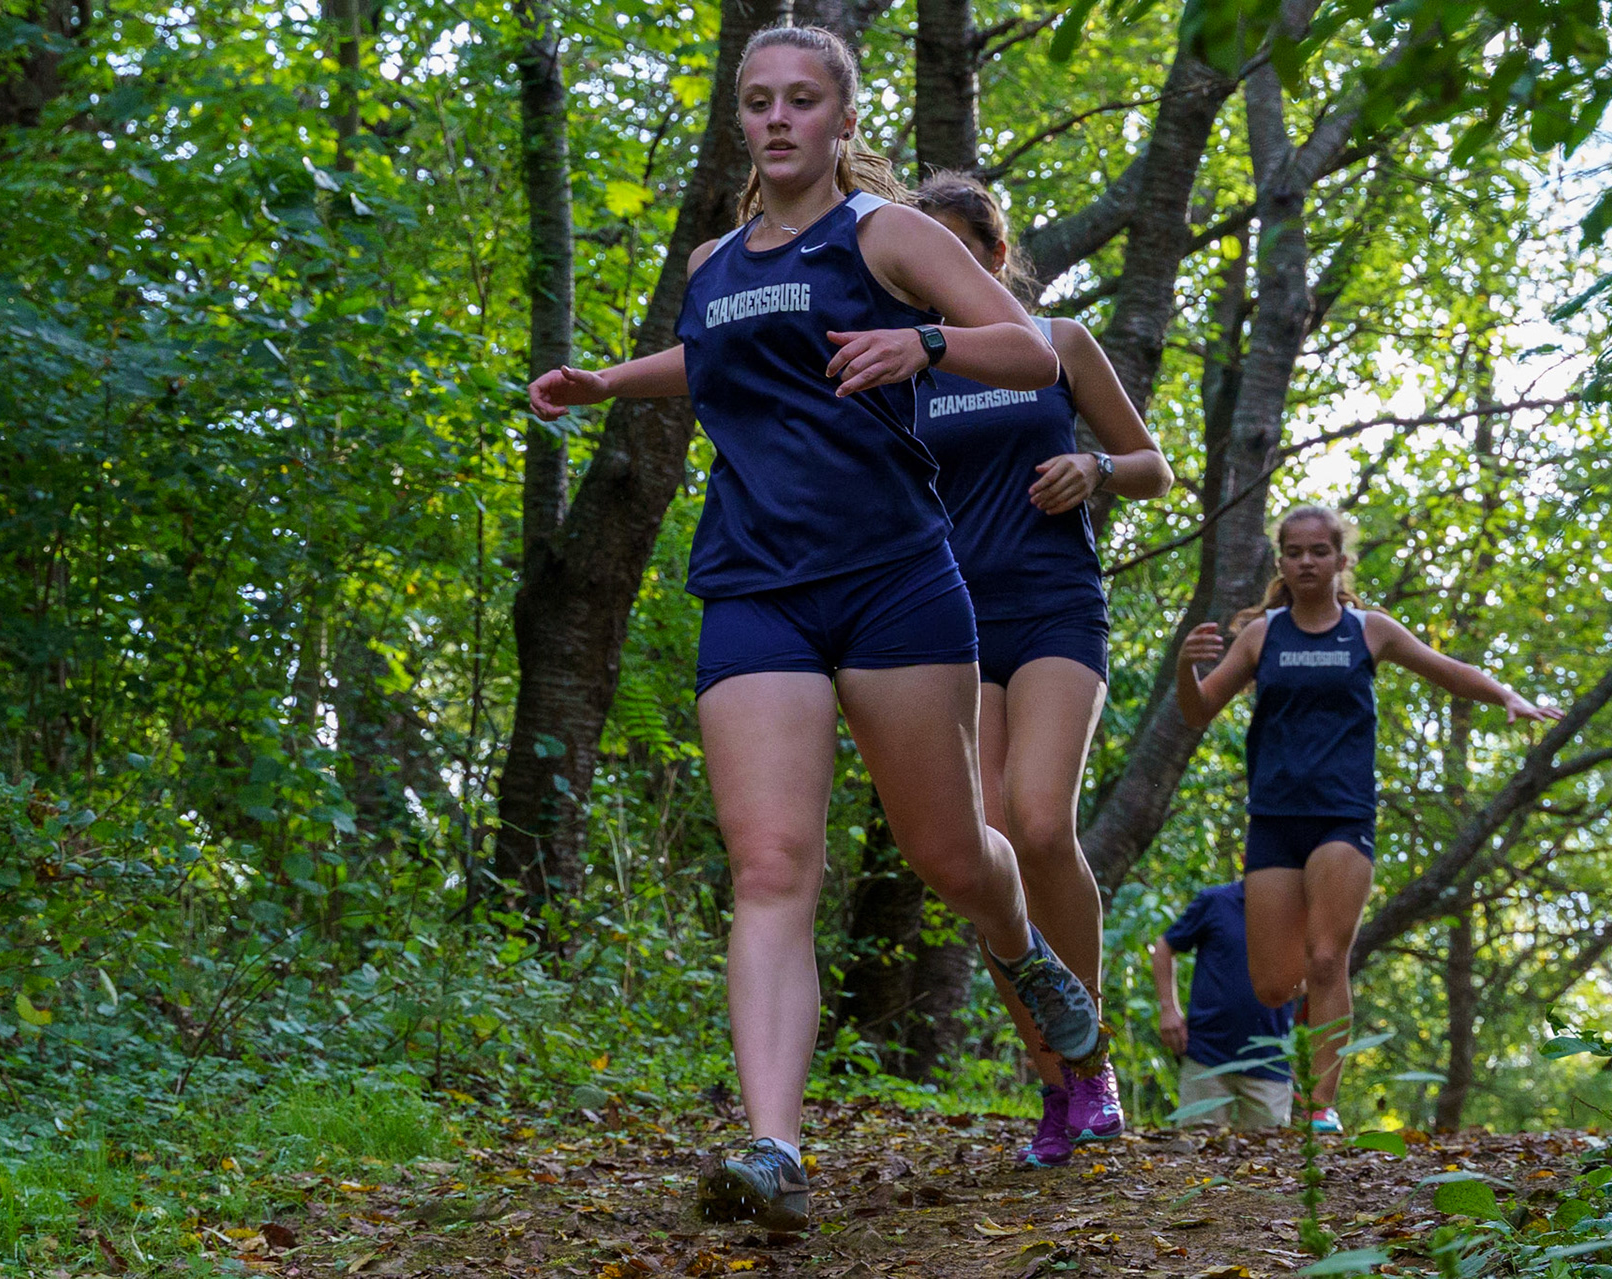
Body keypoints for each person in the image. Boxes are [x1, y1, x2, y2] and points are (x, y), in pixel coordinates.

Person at [527, 25, 1106, 1230]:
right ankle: (776, 1148)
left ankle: (1022, 948)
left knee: (952, 856)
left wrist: (924, 341)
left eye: (801, 100)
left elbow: (1030, 352)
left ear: (843, 120)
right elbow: (713, 362)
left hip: (895, 580)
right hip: (755, 584)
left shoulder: (885, 235)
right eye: (757, 102)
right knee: (772, 863)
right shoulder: (712, 264)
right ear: (740, 120)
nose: (777, 119)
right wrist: (609, 382)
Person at [908, 175, 1173, 1168]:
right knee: (986, 859)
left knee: (1040, 821)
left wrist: (1095, 470)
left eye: (958, 251)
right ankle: (1058, 1081)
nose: (939, 273)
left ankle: (1091, 1053)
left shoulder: (1057, 342)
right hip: (954, 623)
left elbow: (1152, 465)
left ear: (994, 256)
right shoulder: (906, 364)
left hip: (1057, 606)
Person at [1174, 505, 1562, 1133]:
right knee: (1273, 985)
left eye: (1319, 551)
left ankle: (1318, 1107)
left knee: (1328, 959)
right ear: (1281, 562)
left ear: (1341, 559)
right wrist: (1183, 668)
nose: (1306, 561)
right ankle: (1315, 1033)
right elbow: (1197, 713)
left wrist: (1506, 695)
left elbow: (1447, 670)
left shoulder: (1369, 630)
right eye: (1294, 552)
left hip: (1343, 816)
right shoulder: (1263, 636)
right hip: (1273, 818)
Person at [1152, 882, 1298, 1130]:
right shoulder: (1216, 902)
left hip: (1270, 1061)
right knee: (1195, 1146)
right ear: (1244, 861)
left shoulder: (1297, 910)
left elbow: (1317, 975)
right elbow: (1164, 947)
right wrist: (1169, 1009)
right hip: (1207, 1055)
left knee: (1270, 1151)